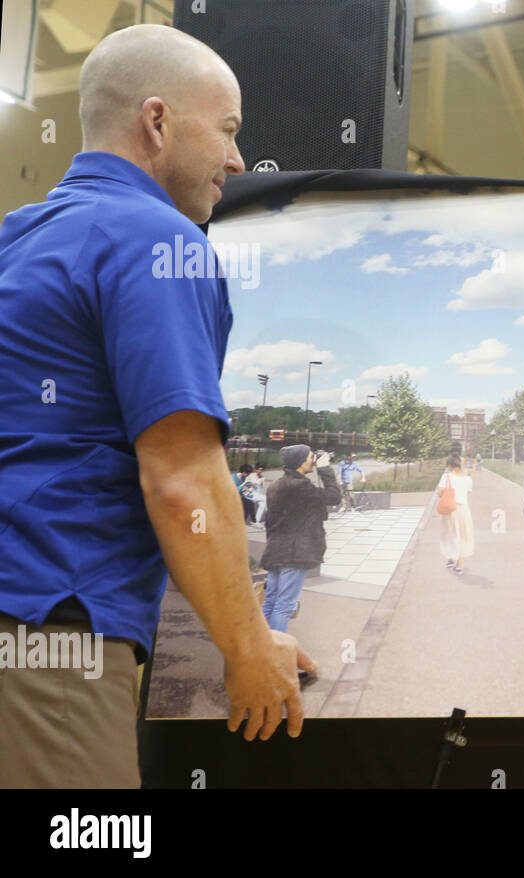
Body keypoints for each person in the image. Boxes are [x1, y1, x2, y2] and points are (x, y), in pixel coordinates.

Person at [0, 24, 314, 787]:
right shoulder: (154, 240)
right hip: (56, 633)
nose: (239, 161)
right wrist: (248, 650)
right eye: (230, 130)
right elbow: (182, 479)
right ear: (157, 120)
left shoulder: (16, 238)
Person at [259, 446, 341, 636]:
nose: (314, 460)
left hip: (275, 551)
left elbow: (270, 522)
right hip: (294, 554)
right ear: (301, 461)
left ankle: (261, 649)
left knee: (271, 601)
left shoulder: (276, 485)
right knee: (285, 605)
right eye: (312, 457)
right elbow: (334, 497)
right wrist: (325, 469)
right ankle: (276, 656)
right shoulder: (300, 486)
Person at [436, 453, 475, 575]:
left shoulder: (446, 477)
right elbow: (468, 495)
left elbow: (440, 493)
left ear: (450, 465)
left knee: (450, 534)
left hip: (450, 510)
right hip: (464, 510)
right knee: (462, 535)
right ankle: (458, 565)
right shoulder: (468, 478)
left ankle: (451, 560)